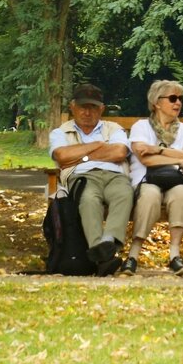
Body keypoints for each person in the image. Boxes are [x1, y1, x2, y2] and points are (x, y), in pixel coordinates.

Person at [49, 83, 133, 276]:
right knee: (88, 199)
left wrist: (79, 155)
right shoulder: (61, 132)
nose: (87, 112)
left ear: (101, 109)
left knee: (124, 193)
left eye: (93, 107)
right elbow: (61, 156)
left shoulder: (114, 129)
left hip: (115, 176)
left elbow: (119, 152)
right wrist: (97, 146)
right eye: (82, 107)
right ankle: (103, 253)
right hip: (82, 177)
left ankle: (107, 245)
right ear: (72, 107)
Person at [122, 80, 183, 276]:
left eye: (180, 99)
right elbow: (145, 159)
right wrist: (179, 159)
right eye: (173, 98)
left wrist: (158, 149)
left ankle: (174, 255)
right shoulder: (141, 127)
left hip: (179, 180)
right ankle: (133, 255)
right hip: (147, 180)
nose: (178, 103)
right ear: (157, 102)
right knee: (150, 195)